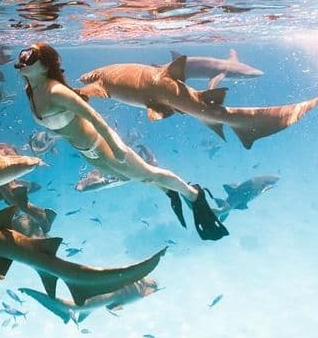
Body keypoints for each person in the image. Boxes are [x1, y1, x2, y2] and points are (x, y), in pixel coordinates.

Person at [15, 44, 227, 241]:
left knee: (148, 174)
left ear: (44, 66)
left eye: (30, 56)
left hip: (102, 145)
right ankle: (167, 189)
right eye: (22, 55)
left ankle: (194, 194)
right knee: (131, 176)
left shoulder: (56, 92)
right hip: (86, 150)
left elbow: (94, 118)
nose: (23, 59)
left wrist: (116, 148)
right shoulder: (33, 91)